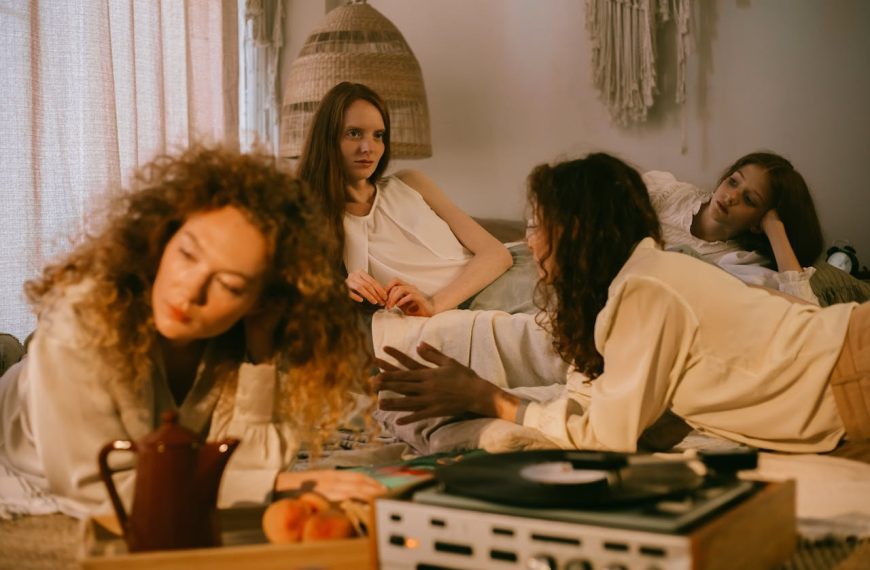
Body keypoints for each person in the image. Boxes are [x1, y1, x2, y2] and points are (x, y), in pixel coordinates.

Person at [373, 153, 868, 454]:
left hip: (848, 365)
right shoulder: (621, 293)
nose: (529, 239)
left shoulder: (646, 289)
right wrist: (481, 392)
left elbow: (606, 434)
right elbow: (588, 403)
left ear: (576, 234)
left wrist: (490, 401)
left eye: (539, 225)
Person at [0, 145, 384, 519]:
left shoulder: (241, 334)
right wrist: (278, 487)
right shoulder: (83, 317)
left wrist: (261, 352)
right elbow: (102, 493)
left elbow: (247, 467)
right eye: (186, 254)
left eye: (230, 285)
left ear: (261, 300)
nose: (190, 290)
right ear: (164, 236)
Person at [297, 81, 528, 318]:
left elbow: (496, 254)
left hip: (513, 279)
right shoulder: (312, 218)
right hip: (473, 313)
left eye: (378, 135)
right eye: (354, 133)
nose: (369, 148)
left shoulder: (410, 182)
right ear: (327, 138)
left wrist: (434, 305)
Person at [643, 152, 824, 304]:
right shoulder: (667, 192)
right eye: (733, 182)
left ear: (758, 223)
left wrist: (775, 230)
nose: (731, 197)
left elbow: (807, 313)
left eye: (749, 200)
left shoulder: (741, 262)